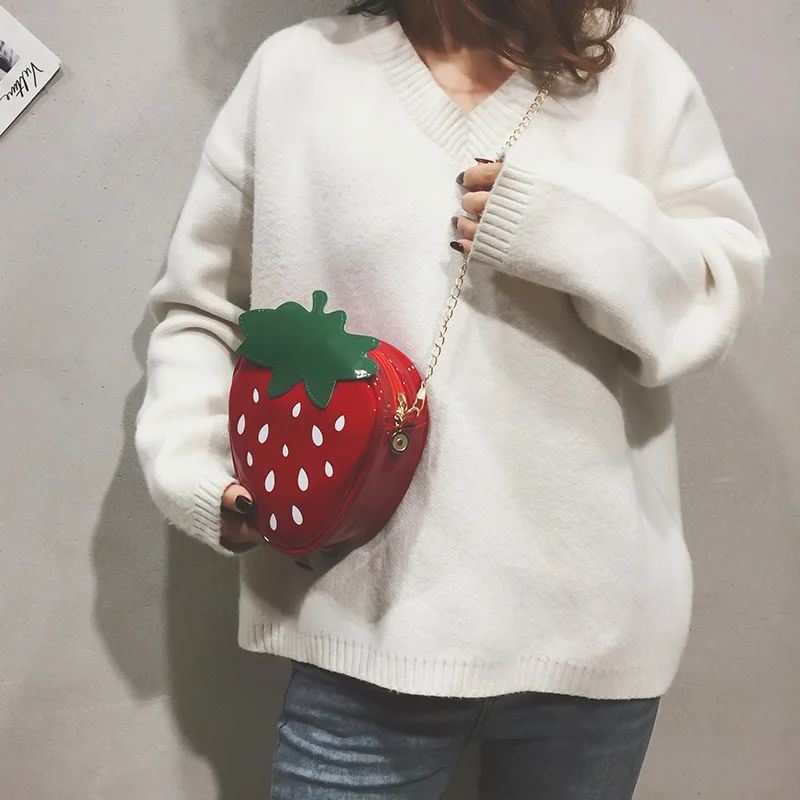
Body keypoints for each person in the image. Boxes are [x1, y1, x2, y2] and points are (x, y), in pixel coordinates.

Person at [136, 0, 768, 796]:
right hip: (361, 633)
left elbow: (715, 295)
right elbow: (201, 309)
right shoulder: (297, 75)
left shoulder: (631, 67)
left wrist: (567, 227)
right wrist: (197, 471)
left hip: (593, 638)